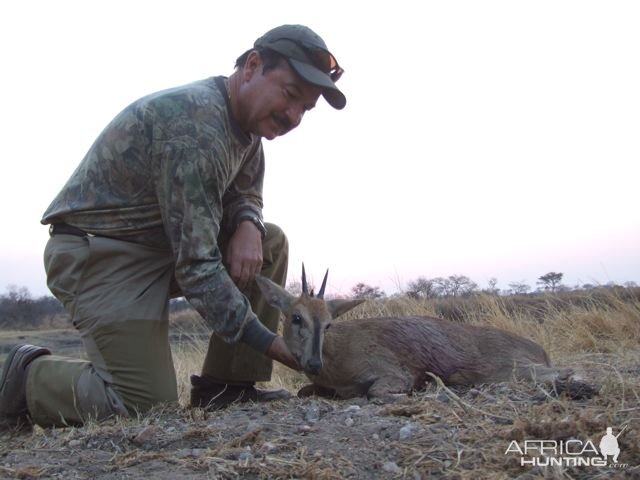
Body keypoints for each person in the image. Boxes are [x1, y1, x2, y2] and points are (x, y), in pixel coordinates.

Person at [0, 24, 346, 429]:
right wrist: (272, 345)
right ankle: (26, 376)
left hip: (160, 251)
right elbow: (198, 268)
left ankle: (227, 387)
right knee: (142, 406)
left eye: (305, 109)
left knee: (269, 241)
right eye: (289, 95)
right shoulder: (195, 129)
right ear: (253, 66)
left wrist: (249, 222)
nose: (293, 116)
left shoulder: (248, 130)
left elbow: (246, 193)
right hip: (100, 255)